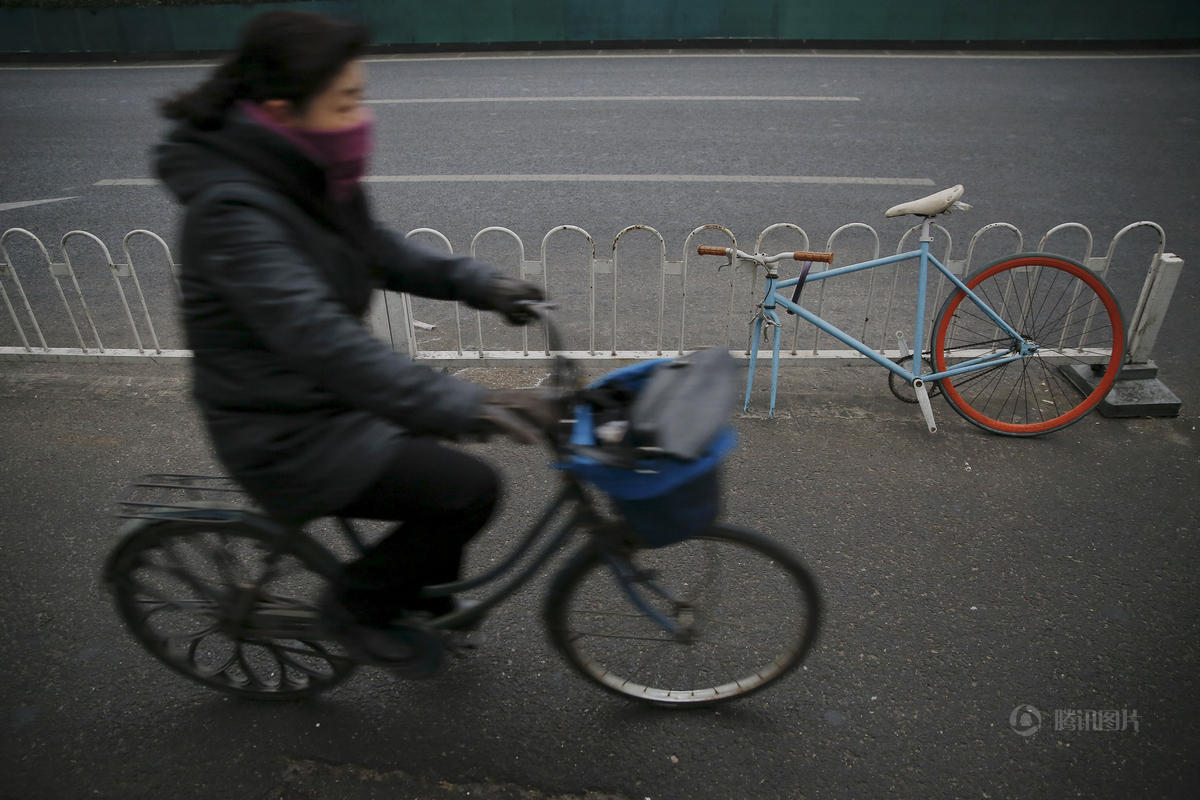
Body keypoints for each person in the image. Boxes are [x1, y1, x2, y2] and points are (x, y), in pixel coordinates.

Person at [154, 10, 553, 658]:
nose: (360, 118)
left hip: (324, 400)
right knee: (468, 490)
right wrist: (467, 403)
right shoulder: (232, 213)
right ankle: (357, 610)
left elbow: (378, 250)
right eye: (346, 102)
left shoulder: (301, 170)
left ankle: (422, 605)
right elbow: (318, 336)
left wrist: (478, 283)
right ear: (284, 112)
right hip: (284, 432)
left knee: (447, 480)